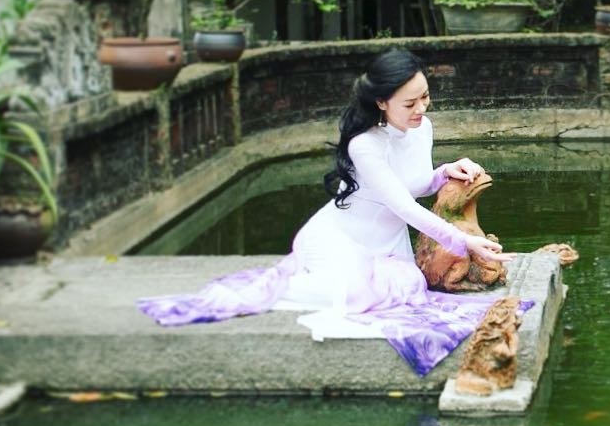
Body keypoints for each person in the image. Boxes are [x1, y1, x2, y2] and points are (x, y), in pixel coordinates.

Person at [137, 47, 525, 375]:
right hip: (340, 238)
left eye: (425, 96)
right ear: (381, 102)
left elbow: (415, 183)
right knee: (354, 297)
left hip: (386, 248)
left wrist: (445, 173)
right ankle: (292, 281)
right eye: (410, 102)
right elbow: (402, 205)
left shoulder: (422, 129)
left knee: (411, 289)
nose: (422, 107)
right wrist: (462, 242)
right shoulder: (364, 146)